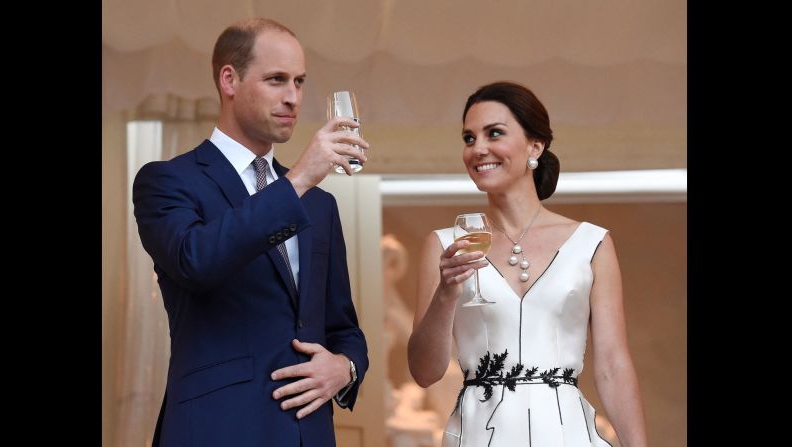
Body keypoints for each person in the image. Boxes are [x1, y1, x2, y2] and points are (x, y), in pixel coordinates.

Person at [132, 17, 370, 447]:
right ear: (230, 79)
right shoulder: (167, 181)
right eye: (277, 80)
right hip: (216, 428)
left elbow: (343, 327)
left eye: (299, 81)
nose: (293, 97)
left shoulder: (321, 205)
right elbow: (196, 260)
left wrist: (346, 367)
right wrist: (297, 180)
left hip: (309, 433)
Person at [407, 81, 647, 446]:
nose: (478, 149)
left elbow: (613, 367)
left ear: (535, 146)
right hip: (479, 434)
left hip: (567, 435)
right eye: (469, 138)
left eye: (494, 133)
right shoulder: (445, 246)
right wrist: (446, 293)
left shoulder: (592, 244)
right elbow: (425, 373)